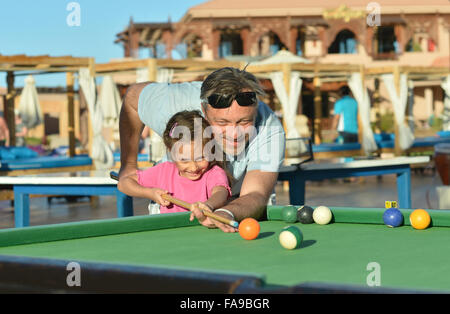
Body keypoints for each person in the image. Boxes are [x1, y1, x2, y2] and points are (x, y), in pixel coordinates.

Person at [118, 67, 285, 233]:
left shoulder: (270, 128)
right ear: (204, 111)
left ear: (255, 110)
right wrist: (128, 164)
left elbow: (255, 193)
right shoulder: (175, 103)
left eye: (244, 122)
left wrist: (226, 212)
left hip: (233, 205)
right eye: (222, 123)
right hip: (168, 209)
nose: (235, 134)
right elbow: (133, 96)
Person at [118, 110, 231, 221]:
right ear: (171, 152)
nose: (193, 167)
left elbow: (221, 192)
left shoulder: (214, 173)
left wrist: (208, 205)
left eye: (201, 158)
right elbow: (123, 183)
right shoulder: (164, 171)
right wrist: (150, 193)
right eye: (184, 160)